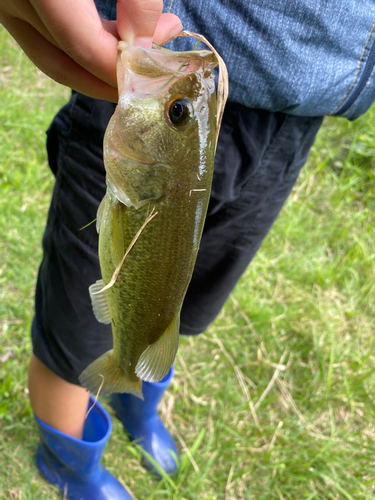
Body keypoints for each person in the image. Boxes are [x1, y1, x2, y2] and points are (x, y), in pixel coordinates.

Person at [1, 1, 375, 499]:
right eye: (179, 112)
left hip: (302, 107)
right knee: (73, 332)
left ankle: (135, 396)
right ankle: (69, 461)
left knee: (184, 302)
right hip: (164, 48)